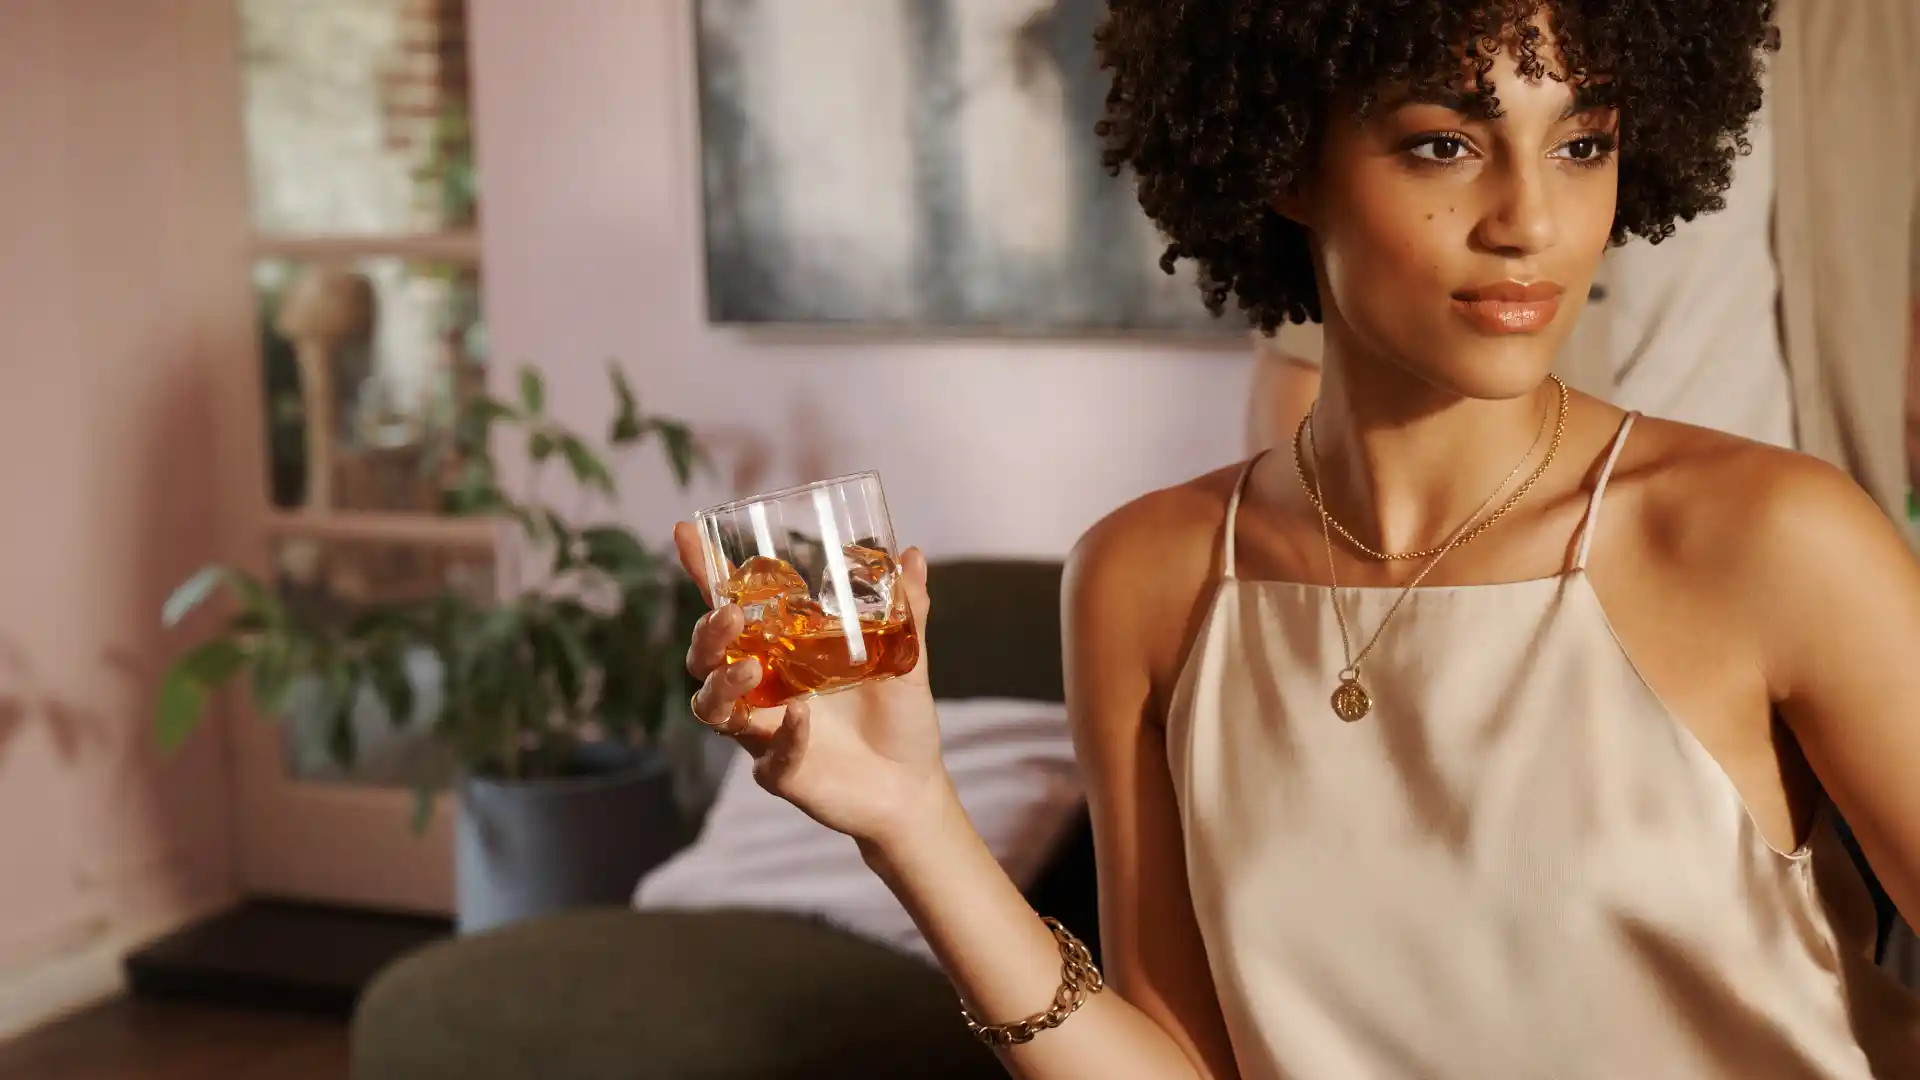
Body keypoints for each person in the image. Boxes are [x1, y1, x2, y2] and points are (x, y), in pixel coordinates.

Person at [677, 3, 1920, 1077]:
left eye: (1581, 143)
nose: (1530, 220)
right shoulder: (1146, 580)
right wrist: (912, 822)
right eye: (1445, 144)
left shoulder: (1774, 542)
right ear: (1284, 156)